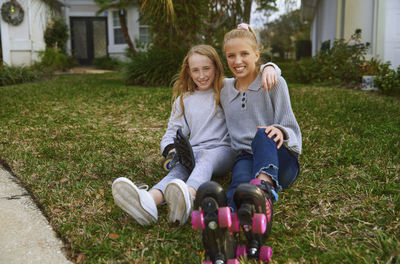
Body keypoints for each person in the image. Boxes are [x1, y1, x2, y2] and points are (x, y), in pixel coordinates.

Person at [111, 44, 280, 227]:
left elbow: (250, 74)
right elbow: (171, 132)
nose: (201, 75)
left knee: (205, 160)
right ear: (189, 72)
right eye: (196, 70)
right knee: (179, 170)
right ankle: (149, 202)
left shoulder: (228, 87)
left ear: (216, 67)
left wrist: (270, 67)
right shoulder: (184, 99)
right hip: (194, 151)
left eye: (206, 68)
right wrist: (172, 150)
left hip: (223, 151)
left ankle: (189, 196)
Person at [220, 23, 302, 258]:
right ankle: (232, 229)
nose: (238, 61)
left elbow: (291, 128)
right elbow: (201, 75)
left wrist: (279, 131)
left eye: (244, 54)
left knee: (262, 133)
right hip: (245, 156)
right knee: (239, 185)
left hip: (279, 157)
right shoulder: (224, 89)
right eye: (231, 56)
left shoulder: (274, 82)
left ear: (257, 55)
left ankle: (264, 190)